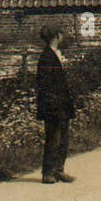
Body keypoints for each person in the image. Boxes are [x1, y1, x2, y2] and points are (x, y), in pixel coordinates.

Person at [36, 25, 76, 184]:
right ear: (57, 36)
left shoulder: (53, 54)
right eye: (61, 34)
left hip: (61, 105)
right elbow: (45, 85)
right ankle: (48, 172)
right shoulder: (46, 57)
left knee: (64, 138)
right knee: (53, 139)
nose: (63, 37)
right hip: (53, 106)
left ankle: (59, 170)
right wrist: (53, 105)